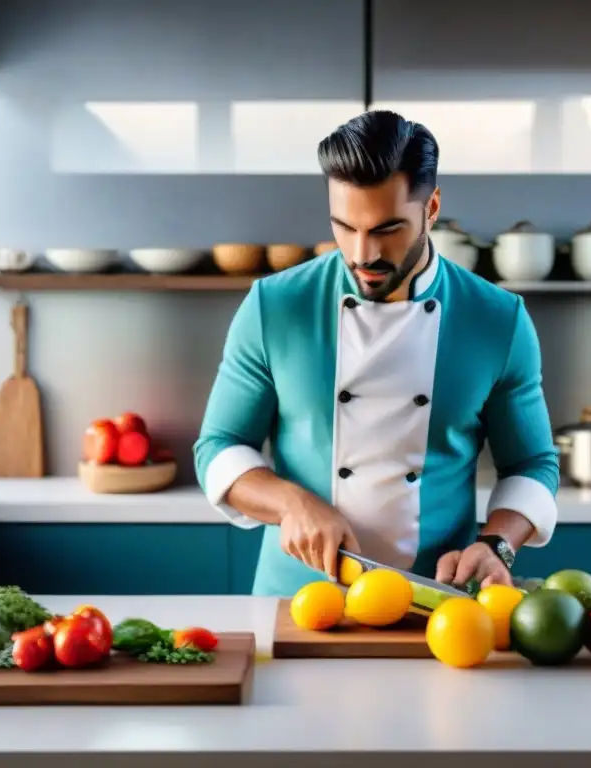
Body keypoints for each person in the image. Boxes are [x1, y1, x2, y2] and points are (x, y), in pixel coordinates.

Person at [194, 110, 560, 597]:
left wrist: (496, 545)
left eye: (387, 229)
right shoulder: (276, 306)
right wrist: (290, 503)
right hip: (299, 603)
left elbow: (533, 463)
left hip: (435, 606)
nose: (362, 253)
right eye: (344, 226)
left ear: (431, 209)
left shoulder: (497, 320)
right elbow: (218, 446)